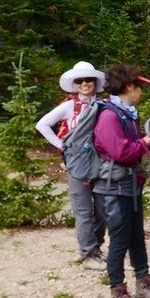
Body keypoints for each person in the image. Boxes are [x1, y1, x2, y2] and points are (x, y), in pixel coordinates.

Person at [93, 63, 150, 298]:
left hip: (129, 184)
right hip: (112, 188)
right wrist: (148, 140)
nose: (141, 92)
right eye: (139, 87)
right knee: (120, 239)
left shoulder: (126, 113)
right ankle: (117, 290)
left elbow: (134, 148)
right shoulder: (109, 116)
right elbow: (121, 151)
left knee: (137, 236)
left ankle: (143, 285)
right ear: (128, 87)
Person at [36, 61, 108, 271]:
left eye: (89, 80)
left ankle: (96, 249)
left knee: (101, 209)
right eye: (80, 80)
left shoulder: (102, 105)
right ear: (75, 84)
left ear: (95, 82)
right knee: (84, 210)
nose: (85, 83)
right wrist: (64, 147)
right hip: (78, 164)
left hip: (100, 162)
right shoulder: (69, 106)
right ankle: (87, 255)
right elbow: (42, 124)